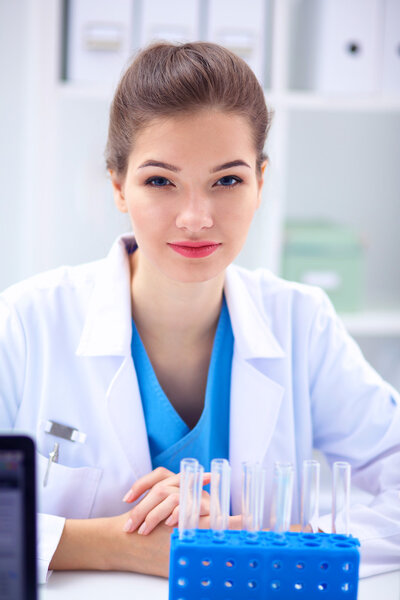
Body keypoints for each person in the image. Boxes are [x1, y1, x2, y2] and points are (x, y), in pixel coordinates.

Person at [1, 41, 399, 584]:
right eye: (160, 180)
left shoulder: (301, 321)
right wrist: (121, 546)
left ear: (261, 182)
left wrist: (256, 538)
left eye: (228, 180)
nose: (196, 217)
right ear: (118, 185)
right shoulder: (27, 321)